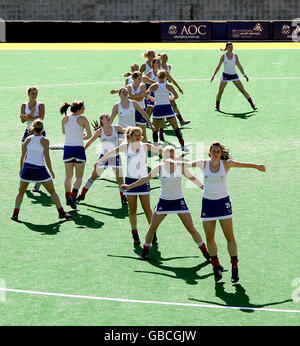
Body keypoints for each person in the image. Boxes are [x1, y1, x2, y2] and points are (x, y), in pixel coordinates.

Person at [172, 142, 266, 283]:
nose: (216, 153)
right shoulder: (203, 163)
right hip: (208, 204)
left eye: (218, 151)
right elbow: (186, 164)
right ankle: (216, 268)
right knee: (210, 238)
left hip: (223, 204)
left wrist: (257, 166)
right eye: (213, 151)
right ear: (209, 152)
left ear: (221, 153)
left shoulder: (226, 164)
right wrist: (171, 160)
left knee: (230, 237)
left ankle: (234, 268)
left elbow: (242, 164)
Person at [121, 145, 210, 262]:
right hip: (164, 202)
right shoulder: (159, 167)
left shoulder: (180, 166)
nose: (172, 153)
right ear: (163, 155)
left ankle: (206, 254)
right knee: (152, 227)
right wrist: (129, 186)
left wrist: (203, 187)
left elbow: (192, 177)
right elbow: (145, 179)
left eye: (173, 151)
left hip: (179, 201)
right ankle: (145, 251)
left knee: (191, 228)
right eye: (169, 151)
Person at [96, 126, 163, 245]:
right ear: (130, 136)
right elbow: (111, 151)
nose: (138, 137)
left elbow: (161, 151)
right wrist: (100, 161)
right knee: (132, 210)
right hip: (130, 182)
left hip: (143, 181)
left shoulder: (145, 146)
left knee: (147, 209)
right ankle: (135, 233)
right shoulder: (126, 146)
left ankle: (153, 232)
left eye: (139, 135)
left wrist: (172, 155)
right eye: (135, 135)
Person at [11, 119, 72, 221]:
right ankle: (61, 212)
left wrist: (21, 168)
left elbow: (23, 156)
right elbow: (47, 157)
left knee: (21, 192)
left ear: (33, 128)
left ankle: (15, 214)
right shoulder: (45, 141)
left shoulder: (27, 139)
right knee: (52, 192)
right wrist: (51, 170)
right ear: (42, 129)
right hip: (40, 170)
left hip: (27, 168)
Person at [76, 113, 128, 206]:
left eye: (108, 116)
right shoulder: (99, 132)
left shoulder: (116, 128)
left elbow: (128, 131)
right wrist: (82, 150)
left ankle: (123, 198)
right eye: (106, 117)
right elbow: (90, 141)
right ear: (102, 120)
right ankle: (82, 195)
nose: (108, 117)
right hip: (103, 157)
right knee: (93, 177)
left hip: (115, 157)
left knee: (120, 180)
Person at [145, 70, 188, 152]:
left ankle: (156, 147)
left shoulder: (154, 86)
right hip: (167, 108)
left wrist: (152, 98)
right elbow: (176, 96)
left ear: (157, 77)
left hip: (157, 109)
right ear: (165, 77)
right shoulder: (169, 86)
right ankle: (182, 145)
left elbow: (146, 94)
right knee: (176, 128)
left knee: (155, 130)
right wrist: (169, 98)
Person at [60, 100, 92, 210]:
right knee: (79, 177)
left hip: (68, 149)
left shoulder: (64, 118)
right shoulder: (83, 119)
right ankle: (73, 196)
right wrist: (81, 136)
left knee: (68, 176)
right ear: (78, 109)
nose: (85, 109)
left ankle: (67, 196)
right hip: (79, 149)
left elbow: (64, 132)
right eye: (83, 108)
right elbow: (89, 135)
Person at [210, 42, 257, 112]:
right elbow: (218, 66)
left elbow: (239, 66)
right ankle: (217, 106)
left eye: (232, 47)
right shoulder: (223, 56)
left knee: (243, 91)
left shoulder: (235, 56)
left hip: (234, 76)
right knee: (220, 92)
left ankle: (253, 105)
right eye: (230, 47)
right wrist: (213, 75)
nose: (231, 49)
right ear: (227, 48)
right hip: (225, 76)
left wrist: (244, 75)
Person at [19, 86, 45, 192]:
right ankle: (24, 180)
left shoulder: (41, 105)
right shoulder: (24, 105)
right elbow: (22, 121)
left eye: (36, 93)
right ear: (28, 94)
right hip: (28, 132)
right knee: (24, 156)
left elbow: (40, 119)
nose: (34, 95)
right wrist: (30, 114)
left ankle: (38, 182)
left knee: (40, 156)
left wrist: (26, 117)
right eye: (33, 93)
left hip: (39, 132)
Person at [158, 52, 190, 127]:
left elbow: (170, 79)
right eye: (163, 58)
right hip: (160, 90)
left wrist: (178, 88)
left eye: (166, 57)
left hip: (166, 89)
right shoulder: (158, 68)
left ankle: (181, 120)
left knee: (173, 104)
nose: (165, 59)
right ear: (161, 59)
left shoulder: (168, 67)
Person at [126, 71, 149, 142]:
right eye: (139, 78)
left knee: (143, 132)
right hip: (132, 111)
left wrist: (134, 96)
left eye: (141, 78)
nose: (140, 80)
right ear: (133, 78)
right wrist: (143, 94)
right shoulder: (129, 86)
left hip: (141, 110)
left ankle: (145, 150)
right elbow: (132, 96)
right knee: (131, 132)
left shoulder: (143, 85)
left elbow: (140, 98)